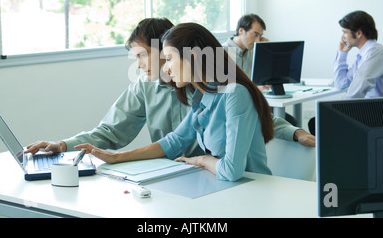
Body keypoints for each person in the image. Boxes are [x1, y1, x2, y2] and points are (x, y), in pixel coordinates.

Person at [26, 18, 314, 157]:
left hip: (210, 173)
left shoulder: (201, 82)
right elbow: (110, 132)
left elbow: (251, 111)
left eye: (141, 55)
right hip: (171, 172)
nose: (138, 64)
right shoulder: (144, 87)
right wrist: (63, 145)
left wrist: (296, 132)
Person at [76, 23, 275, 181]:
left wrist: (201, 159)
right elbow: (175, 140)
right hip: (224, 188)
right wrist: (115, 157)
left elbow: (231, 171)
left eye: (170, 58)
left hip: (253, 192)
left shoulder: (234, 94)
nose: (167, 68)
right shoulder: (203, 96)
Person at [334, 10, 383, 99]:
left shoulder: (376, 52)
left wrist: (338, 108)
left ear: (359, 33)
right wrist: (342, 53)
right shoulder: (363, 55)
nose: (342, 37)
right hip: (375, 108)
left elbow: (355, 94)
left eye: (344, 32)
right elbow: (341, 84)